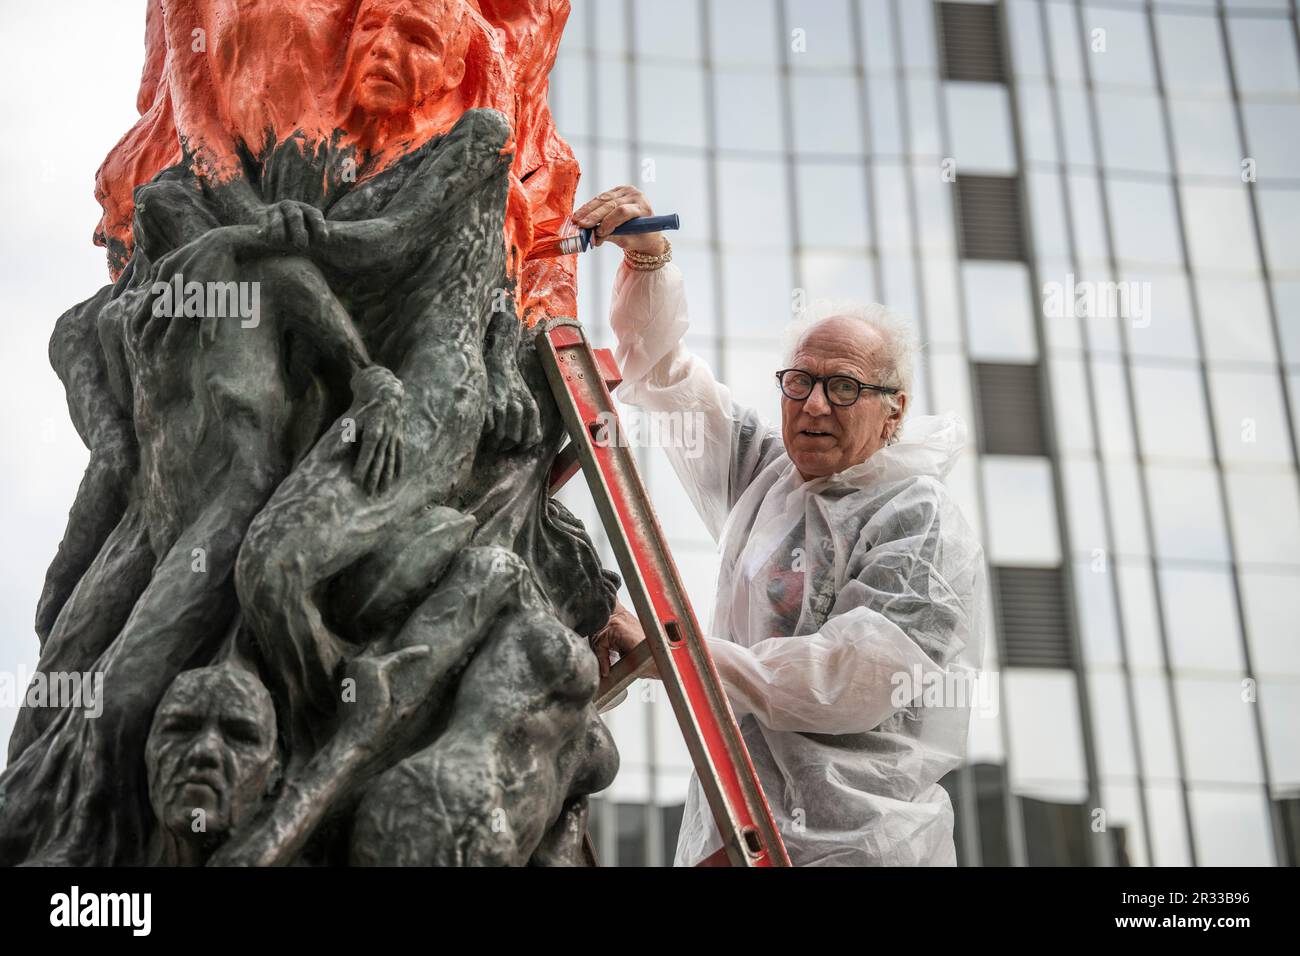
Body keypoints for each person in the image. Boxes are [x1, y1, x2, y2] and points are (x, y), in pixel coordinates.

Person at [580, 185, 987, 867]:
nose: (815, 404)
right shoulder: (770, 477)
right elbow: (667, 377)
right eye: (799, 381)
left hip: (860, 847)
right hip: (741, 835)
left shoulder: (920, 520)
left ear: (895, 411)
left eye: (845, 386)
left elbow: (850, 680)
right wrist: (648, 261)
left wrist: (666, 647)